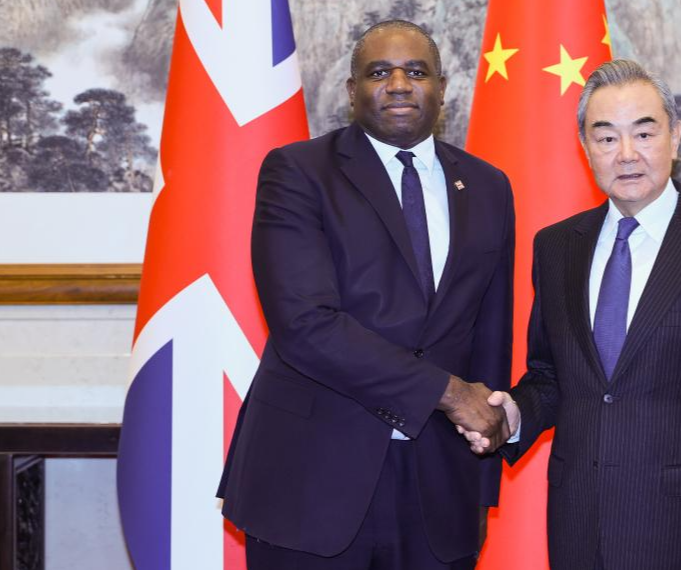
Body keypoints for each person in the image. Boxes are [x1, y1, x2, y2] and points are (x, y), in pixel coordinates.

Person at [464, 59, 681, 570]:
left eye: (644, 131)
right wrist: (515, 414)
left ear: (676, 137)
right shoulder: (556, 247)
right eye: (607, 137)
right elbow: (552, 375)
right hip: (577, 530)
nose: (628, 154)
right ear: (585, 146)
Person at [217, 20, 515, 570]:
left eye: (416, 71)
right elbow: (306, 325)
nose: (399, 83)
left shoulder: (489, 186)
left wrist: (480, 481)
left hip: (439, 488)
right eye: (379, 72)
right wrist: (448, 393)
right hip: (311, 483)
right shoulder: (299, 172)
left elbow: (489, 337)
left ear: (443, 88)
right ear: (352, 90)